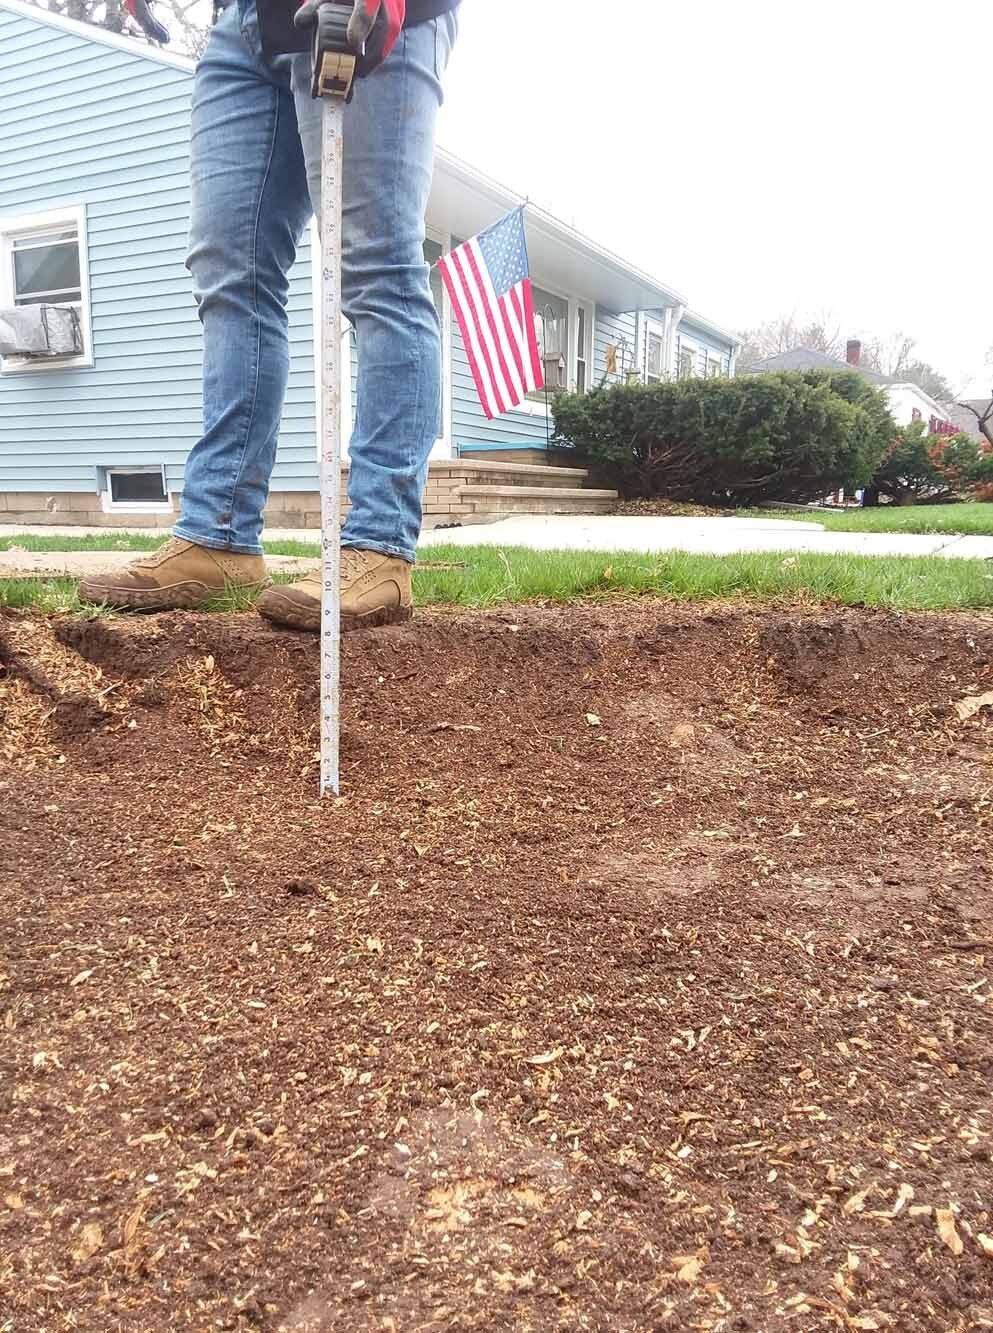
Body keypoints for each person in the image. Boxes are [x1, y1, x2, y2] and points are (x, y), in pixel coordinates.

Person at [80, 0, 460, 631]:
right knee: (231, 271)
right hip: (243, 26)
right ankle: (219, 535)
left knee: (377, 264)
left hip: (367, 16)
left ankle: (380, 545)